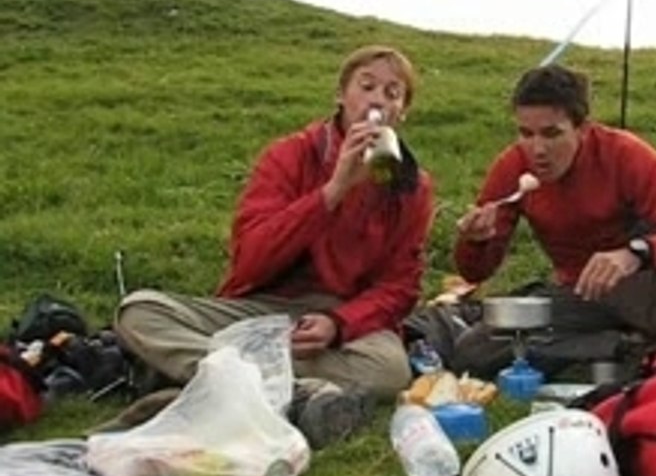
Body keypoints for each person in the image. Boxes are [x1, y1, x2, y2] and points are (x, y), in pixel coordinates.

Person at [112, 45, 435, 448]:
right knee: (139, 311)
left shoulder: (411, 186)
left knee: (390, 371)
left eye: (392, 93)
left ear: (402, 112)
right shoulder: (290, 155)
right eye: (366, 87)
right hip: (265, 307)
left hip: (342, 322)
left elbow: (399, 286)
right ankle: (292, 394)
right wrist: (332, 192)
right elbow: (250, 258)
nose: (377, 101)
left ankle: (216, 384)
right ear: (341, 95)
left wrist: (338, 323)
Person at [451, 63, 656, 380]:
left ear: (582, 128)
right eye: (527, 134)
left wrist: (637, 253)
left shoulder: (623, 154)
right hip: (579, 293)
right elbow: (475, 273)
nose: (538, 149)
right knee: (475, 351)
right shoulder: (513, 166)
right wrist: (476, 241)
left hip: (643, 283)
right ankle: (630, 350)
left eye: (552, 134)